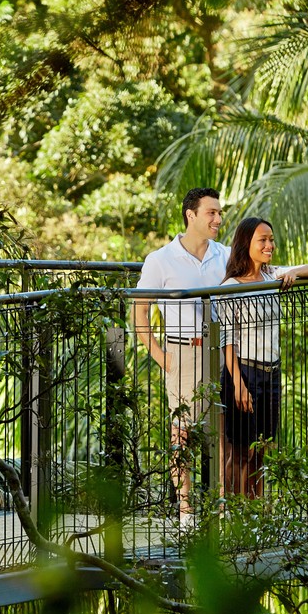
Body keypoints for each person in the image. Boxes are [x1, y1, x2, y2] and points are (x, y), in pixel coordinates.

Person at [132, 187, 227, 523]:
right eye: (211, 213)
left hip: (221, 353)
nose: (218, 219)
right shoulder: (160, 260)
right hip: (182, 352)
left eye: (219, 212)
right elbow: (139, 311)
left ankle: (221, 508)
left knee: (222, 432)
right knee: (181, 434)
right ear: (191, 215)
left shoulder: (225, 255)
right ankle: (185, 511)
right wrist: (162, 358)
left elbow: (260, 273)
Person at [217, 217, 308, 498]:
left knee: (262, 449)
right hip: (243, 373)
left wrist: (295, 273)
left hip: (271, 374)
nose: (269, 245)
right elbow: (227, 342)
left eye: (271, 239)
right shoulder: (230, 286)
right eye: (262, 240)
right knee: (240, 450)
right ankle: (231, 514)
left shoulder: (271, 275)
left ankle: (258, 514)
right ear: (245, 244)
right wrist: (238, 385)